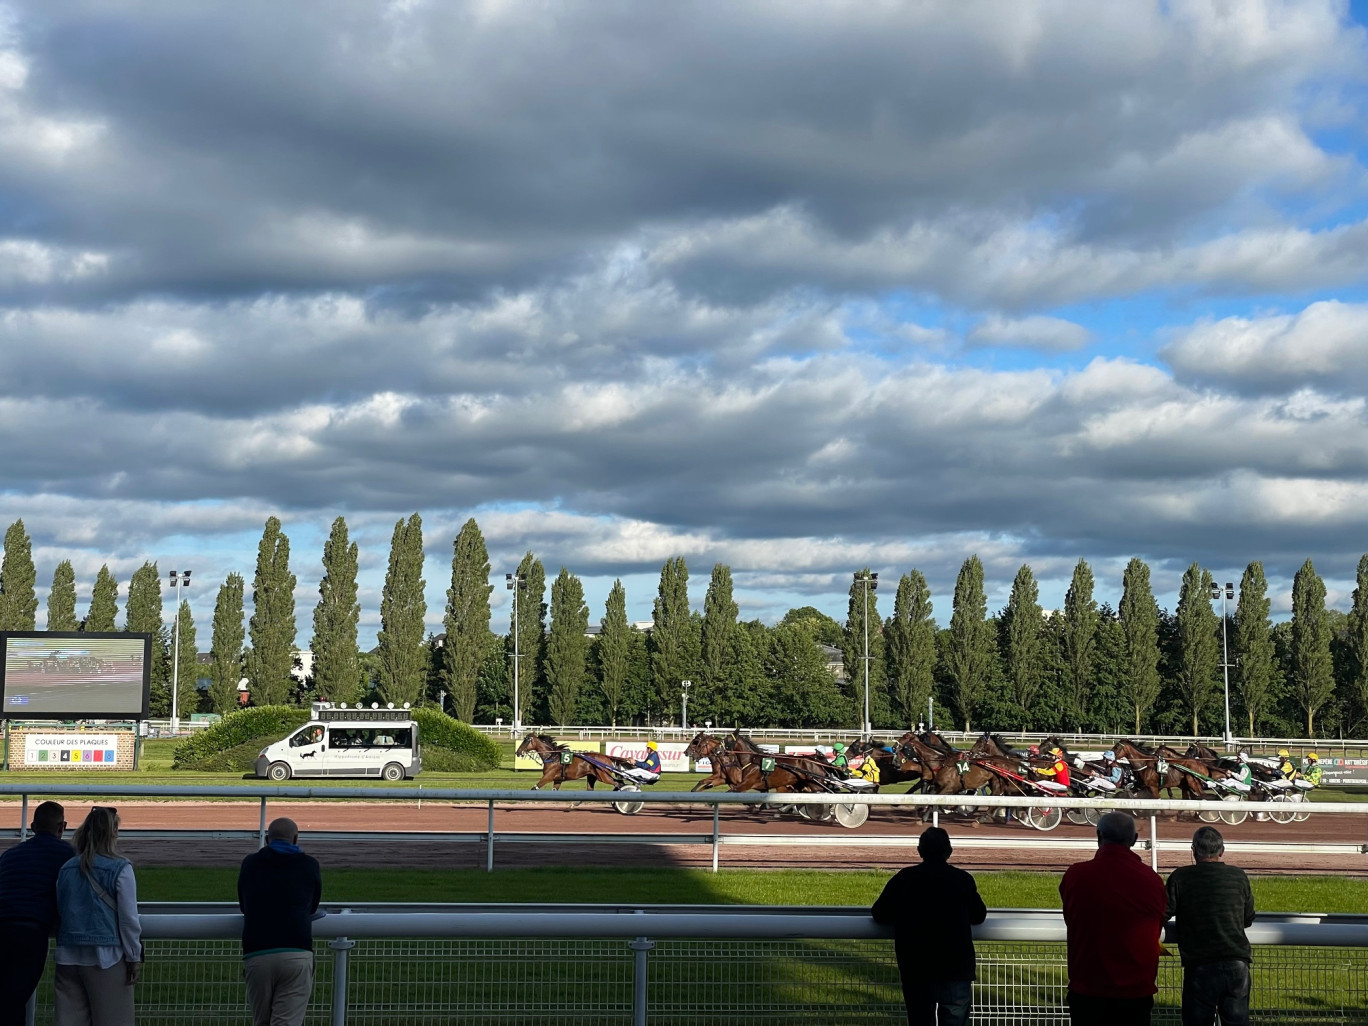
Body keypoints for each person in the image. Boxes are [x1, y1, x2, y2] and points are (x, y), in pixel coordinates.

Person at [1060, 811, 1167, 1026]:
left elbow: (1071, 917)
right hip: (1136, 994)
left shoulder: (1076, 875)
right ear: (1134, 840)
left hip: (1088, 990)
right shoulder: (1152, 880)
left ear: (1098, 836)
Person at [872, 827, 987, 1026]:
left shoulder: (904, 879)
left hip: (916, 969)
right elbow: (979, 916)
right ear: (949, 851)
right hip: (955, 969)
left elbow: (879, 913)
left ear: (919, 850)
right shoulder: (963, 880)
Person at [54, 807, 142, 1026]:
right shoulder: (120, 869)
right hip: (107, 958)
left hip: (67, 956)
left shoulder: (65, 869)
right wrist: (133, 957)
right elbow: (129, 920)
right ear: (112, 833)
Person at [1165, 826, 1255, 1026]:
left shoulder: (1180, 877)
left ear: (1194, 850)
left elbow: (1161, 913)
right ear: (1222, 851)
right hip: (1237, 964)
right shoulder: (1238, 876)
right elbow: (1247, 918)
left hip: (1200, 965)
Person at [238, 818, 323, 1026]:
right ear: (296, 839)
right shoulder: (310, 865)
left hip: (257, 954)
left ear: (267, 840)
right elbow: (311, 907)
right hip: (297, 951)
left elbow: (244, 906)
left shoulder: (250, 863)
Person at [0, 801, 75, 1026]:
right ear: (62, 827)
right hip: (30, 932)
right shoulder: (69, 855)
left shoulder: (9, 856)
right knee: (12, 1003)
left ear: (32, 826)